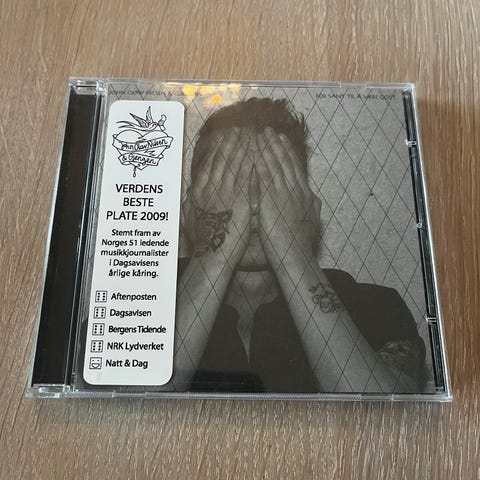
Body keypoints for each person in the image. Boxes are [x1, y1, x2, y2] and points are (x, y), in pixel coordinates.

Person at [171, 98, 426, 394]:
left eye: (272, 185)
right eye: (233, 184)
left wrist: (294, 254)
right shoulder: (142, 294)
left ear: (309, 208)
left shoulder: (375, 305)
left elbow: (386, 416)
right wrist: (212, 255)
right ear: (188, 209)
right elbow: (132, 405)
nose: (253, 205)